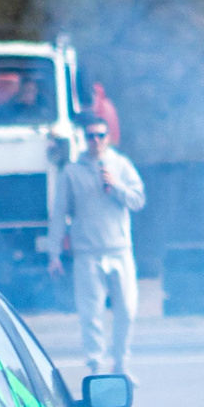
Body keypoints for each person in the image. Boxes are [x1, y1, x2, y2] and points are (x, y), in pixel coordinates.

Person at [46, 117, 146, 380]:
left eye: (101, 135)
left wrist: (116, 187)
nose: (97, 141)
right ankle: (96, 366)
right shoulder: (72, 171)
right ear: (84, 139)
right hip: (87, 254)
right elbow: (59, 214)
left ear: (108, 137)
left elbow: (138, 200)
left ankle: (121, 363)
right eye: (91, 136)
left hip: (120, 250)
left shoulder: (121, 165)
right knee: (91, 313)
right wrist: (54, 253)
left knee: (127, 309)